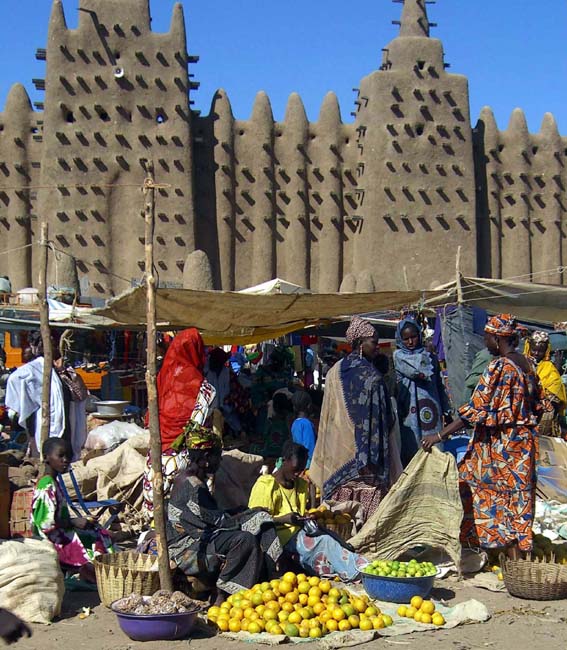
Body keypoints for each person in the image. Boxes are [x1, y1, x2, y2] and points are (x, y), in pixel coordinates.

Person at [422, 314, 546, 559]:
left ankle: (501, 556)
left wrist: (439, 435)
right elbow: (539, 407)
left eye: (487, 337)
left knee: (476, 487)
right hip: (524, 445)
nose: (485, 342)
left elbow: (475, 410)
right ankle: (516, 557)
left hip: (503, 447)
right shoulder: (528, 364)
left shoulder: (499, 367)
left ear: (498, 338)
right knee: (518, 499)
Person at [166, 426, 282, 604]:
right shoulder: (194, 486)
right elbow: (221, 523)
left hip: (199, 535)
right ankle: (225, 594)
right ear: (205, 459)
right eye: (217, 456)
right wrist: (249, 513)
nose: (219, 461)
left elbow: (207, 516)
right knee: (246, 538)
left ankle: (269, 578)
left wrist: (240, 511)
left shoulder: (189, 478)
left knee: (258, 518)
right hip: (188, 546)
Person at [310, 316, 392, 522]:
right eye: (374, 342)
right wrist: (371, 459)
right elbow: (381, 424)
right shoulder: (372, 378)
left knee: (339, 522)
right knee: (366, 524)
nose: (378, 347)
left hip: (336, 459)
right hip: (367, 466)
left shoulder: (333, 372)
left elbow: (329, 417)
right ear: (360, 343)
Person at [249, 442, 368, 580]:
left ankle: (358, 566)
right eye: (295, 469)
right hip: (276, 537)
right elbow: (255, 519)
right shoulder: (266, 485)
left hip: (299, 532)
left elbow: (300, 511)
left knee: (333, 538)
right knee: (324, 541)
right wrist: (283, 519)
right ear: (285, 460)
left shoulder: (300, 485)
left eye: (301, 470)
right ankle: (358, 571)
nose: (298, 474)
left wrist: (304, 518)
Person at [143, 328, 216, 520]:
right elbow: (199, 433)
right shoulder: (205, 388)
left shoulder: (159, 378)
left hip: (157, 455)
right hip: (184, 458)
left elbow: (151, 415)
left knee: (156, 512)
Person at [31, 438, 114, 582]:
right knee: (95, 545)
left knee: (99, 533)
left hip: (60, 532)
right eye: (61, 455)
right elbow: (45, 524)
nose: (65, 460)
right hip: (51, 540)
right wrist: (74, 522)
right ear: (46, 457)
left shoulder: (53, 482)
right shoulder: (46, 485)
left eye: (68, 456)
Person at [394, 317, 452, 466]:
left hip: (432, 410)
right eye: (406, 339)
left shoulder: (431, 357)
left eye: (413, 337)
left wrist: (446, 410)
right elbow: (418, 370)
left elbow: (439, 384)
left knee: (434, 451)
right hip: (409, 413)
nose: (411, 342)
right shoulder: (399, 356)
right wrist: (428, 354)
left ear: (419, 335)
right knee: (412, 451)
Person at [5, 332, 66, 457]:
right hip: (38, 418)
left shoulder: (56, 368)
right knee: (42, 449)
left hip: (53, 419)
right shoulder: (34, 368)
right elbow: (14, 379)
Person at [525, 331, 566, 437]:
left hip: (543, 417)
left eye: (540, 351)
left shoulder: (550, 368)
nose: (536, 353)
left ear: (546, 351)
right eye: (534, 350)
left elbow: (556, 393)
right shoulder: (522, 363)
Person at [290, 391, 316, 468]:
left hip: (298, 461)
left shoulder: (295, 423)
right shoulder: (306, 423)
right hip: (307, 464)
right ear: (309, 405)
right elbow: (310, 447)